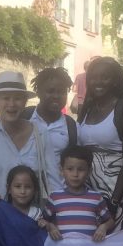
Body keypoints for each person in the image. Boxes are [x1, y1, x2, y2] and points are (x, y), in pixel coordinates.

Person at [76, 57, 123, 230]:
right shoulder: (87, 108)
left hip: (114, 190)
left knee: (111, 242)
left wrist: (114, 200)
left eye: (105, 77)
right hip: (85, 187)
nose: (98, 82)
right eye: (93, 77)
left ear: (115, 81)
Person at [0, 72, 55, 198]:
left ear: (25, 102)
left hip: (34, 216)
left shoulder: (41, 134)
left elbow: (53, 178)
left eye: (17, 98)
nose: (11, 104)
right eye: (5, 98)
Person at [24, 67, 77, 196]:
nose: (56, 96)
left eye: (62, 92)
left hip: (57, 194)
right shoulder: (25, 116)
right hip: (24, 194)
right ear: (38, 92)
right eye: (50, 91)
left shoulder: (70, 125)